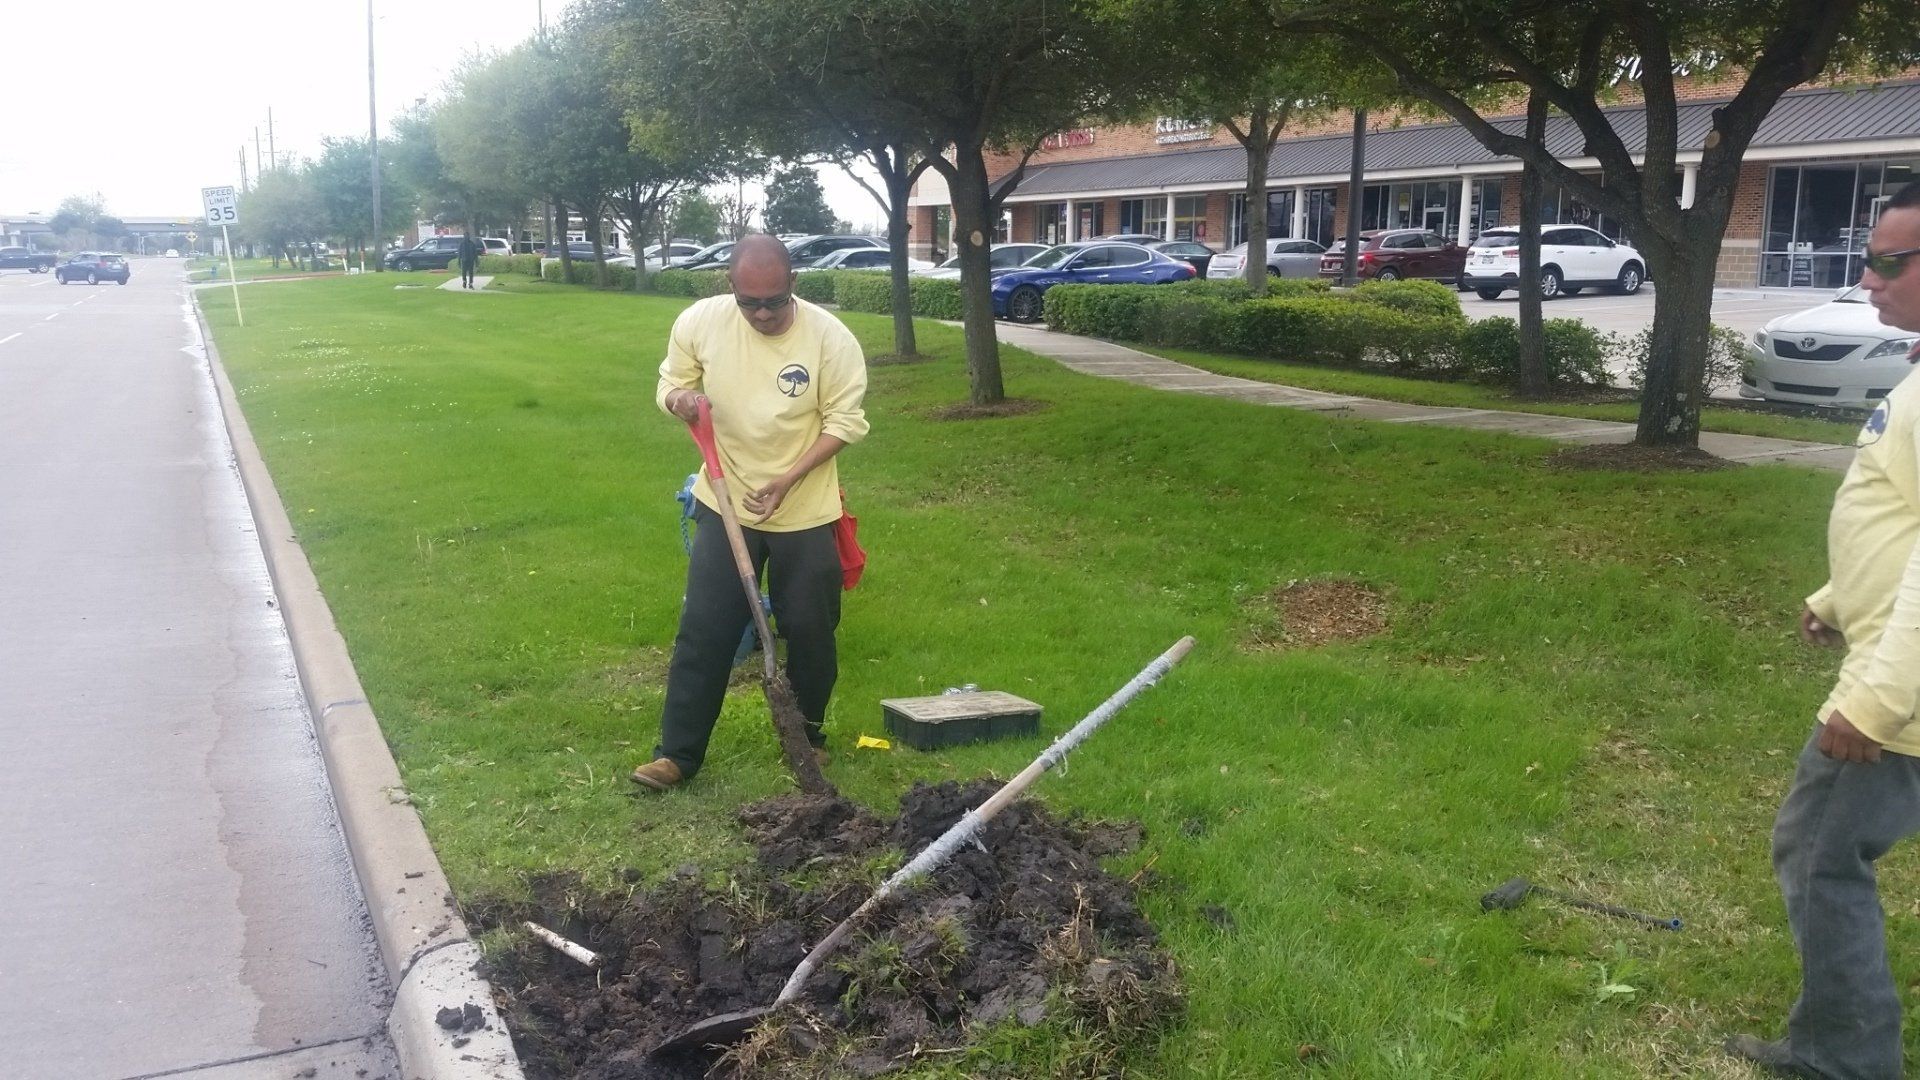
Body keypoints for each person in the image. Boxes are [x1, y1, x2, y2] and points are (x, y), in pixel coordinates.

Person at [1728, 179, 1920, 1080]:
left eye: (1890, 261)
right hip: (1889, 658)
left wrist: (1875, 702)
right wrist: (1840, 594)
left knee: (1819, 851)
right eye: (1868, 258)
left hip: (1898, 694)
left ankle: (1845, 1061)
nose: (1869, 278)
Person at [631, 234, 869, 791]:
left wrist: (787, 479)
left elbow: (844, 422)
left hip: (805, 507)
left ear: (793, 285)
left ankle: (807, 739)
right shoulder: (701, 322)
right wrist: (680, 401)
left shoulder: (829, 340)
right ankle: (678, 754)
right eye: (750, 303)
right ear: (731, 288)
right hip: (726, 502)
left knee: (811, 630)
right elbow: (671, 380)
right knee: (705, 629)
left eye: (774, 301)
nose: (762, 313)